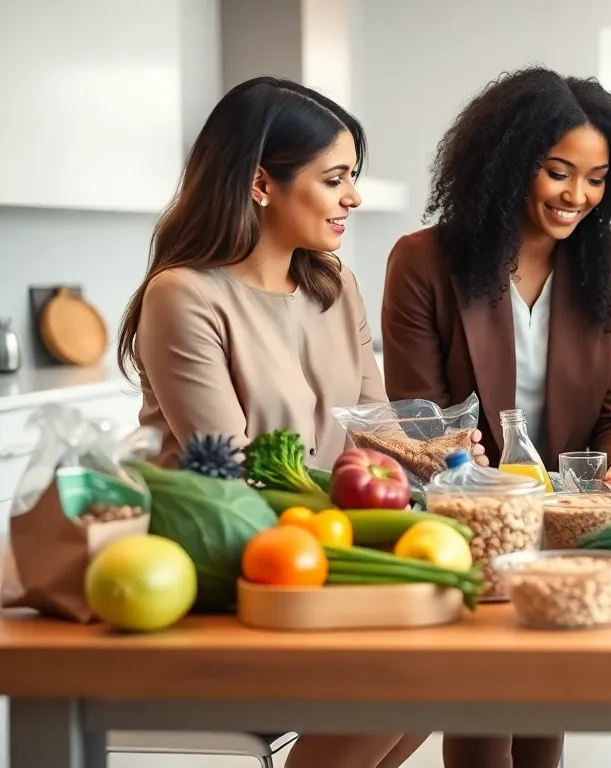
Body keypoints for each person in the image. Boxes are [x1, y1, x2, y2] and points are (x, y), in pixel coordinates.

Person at [116, 76, 422, 768]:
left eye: (354, 178)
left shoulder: (333, 283)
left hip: (320, 536)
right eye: (335, 178)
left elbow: (375, 429)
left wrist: (438, 457)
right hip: (226, 553)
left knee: (451, 668)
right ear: (261, 182)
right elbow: (231, 473)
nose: (354, 197)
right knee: (407, 671)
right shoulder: (185, 295)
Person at [379, 65, 611, 768]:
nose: (577, 196)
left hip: (565, 528)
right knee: (481, 718)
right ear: (506, 162)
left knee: (543, 717)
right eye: (558, 171)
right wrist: (483, 487)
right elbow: (419, 422)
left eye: (595, 179)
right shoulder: (423, 262)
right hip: (465, 522)